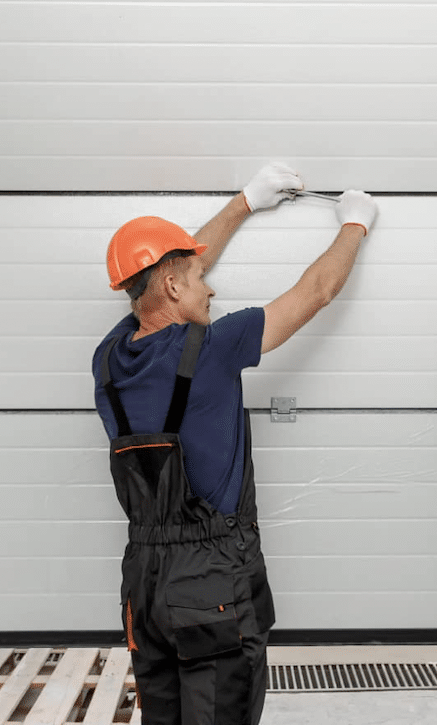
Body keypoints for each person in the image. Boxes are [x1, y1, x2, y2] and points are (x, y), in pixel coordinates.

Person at [93, 162, 377, 725]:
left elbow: (173, 273)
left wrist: (245, 202)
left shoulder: (110, 357)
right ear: (173, 288)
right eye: (197, 281)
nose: (211, 284)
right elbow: (318, 290)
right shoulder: (215, 349)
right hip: (210, 580)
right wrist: (355, 224)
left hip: (144, 584)